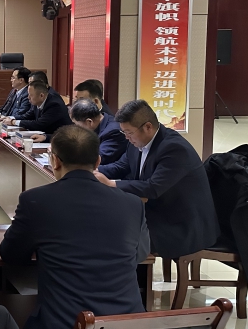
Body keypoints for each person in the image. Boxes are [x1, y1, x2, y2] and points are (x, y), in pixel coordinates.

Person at [0, 125, 149, 329]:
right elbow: (139, 255)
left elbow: (11, 254)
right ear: (98, 162)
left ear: (54, 160)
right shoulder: (131, 203)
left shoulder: (36, 200)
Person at [94, 99, 220, 260]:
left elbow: (153, 187)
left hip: (181, 224)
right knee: (114, 221)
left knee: (123, 234)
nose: (126, 137)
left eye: (129, 133)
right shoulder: (137, 141)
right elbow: (121, 166)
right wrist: (92, 171)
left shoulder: (174, 149)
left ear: (148, 127)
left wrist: (110, 184)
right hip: (159, 210)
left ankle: (135, 275)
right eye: (124, 132)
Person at [69, 99, 126, 165]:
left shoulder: (113, 132)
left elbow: (97, 160)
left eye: (76, 124)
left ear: (89, 122)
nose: (76, 127)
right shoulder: (100, 122)